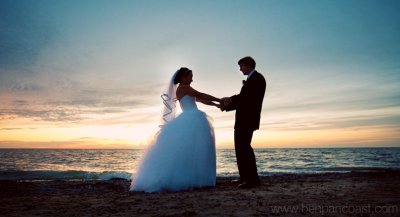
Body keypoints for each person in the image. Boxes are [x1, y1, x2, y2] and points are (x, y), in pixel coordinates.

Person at [130, 67, 220, 193]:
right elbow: (200, 95)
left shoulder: (184, 89)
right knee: (196, 149)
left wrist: (216, 105)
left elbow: (199, 99)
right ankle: (194, 178)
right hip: (193, 118)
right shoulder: (184, 87)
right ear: (183, 77)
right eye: (190, 76)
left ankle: (195, 178)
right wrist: (220, 99)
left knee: (193, 150)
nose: (192, 78)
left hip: (191, 117)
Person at [221, 56, 266, 189]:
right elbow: (244, 100)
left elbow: (246, 99)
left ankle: (252, 180)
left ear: (248, 65)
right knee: (240, 149)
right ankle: (244, 178)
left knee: (245, 148)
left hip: (247, 120)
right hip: (242, 120)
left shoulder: (257, 79)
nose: (240, 69)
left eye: (241, 66)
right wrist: (227, 105)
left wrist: (229, 100)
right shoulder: (252, 79)